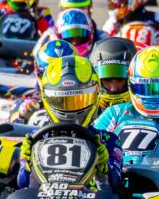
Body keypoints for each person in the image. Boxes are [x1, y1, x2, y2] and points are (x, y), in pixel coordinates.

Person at [17, 56, 123, 190]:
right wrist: (26, 165)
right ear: (46, 97)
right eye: (62, 101)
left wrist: (103, 170)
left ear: (95, 95)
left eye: (79, 100)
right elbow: (23, 187)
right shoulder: (36, 138)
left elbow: (115, 188)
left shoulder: (107, 140)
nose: (70, 111)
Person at [13, 39, 76, 124]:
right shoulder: (30, 102)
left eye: (65, 74)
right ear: (39, 73)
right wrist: (21, 116)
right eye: (53, 75)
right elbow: (11, 128)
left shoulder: (90, 97)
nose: (60, 82)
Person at [89, 37, 137, 114]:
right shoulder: (86, 111)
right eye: (107, 80)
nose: (113, 88)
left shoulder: (143, 111)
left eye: (119, 80)